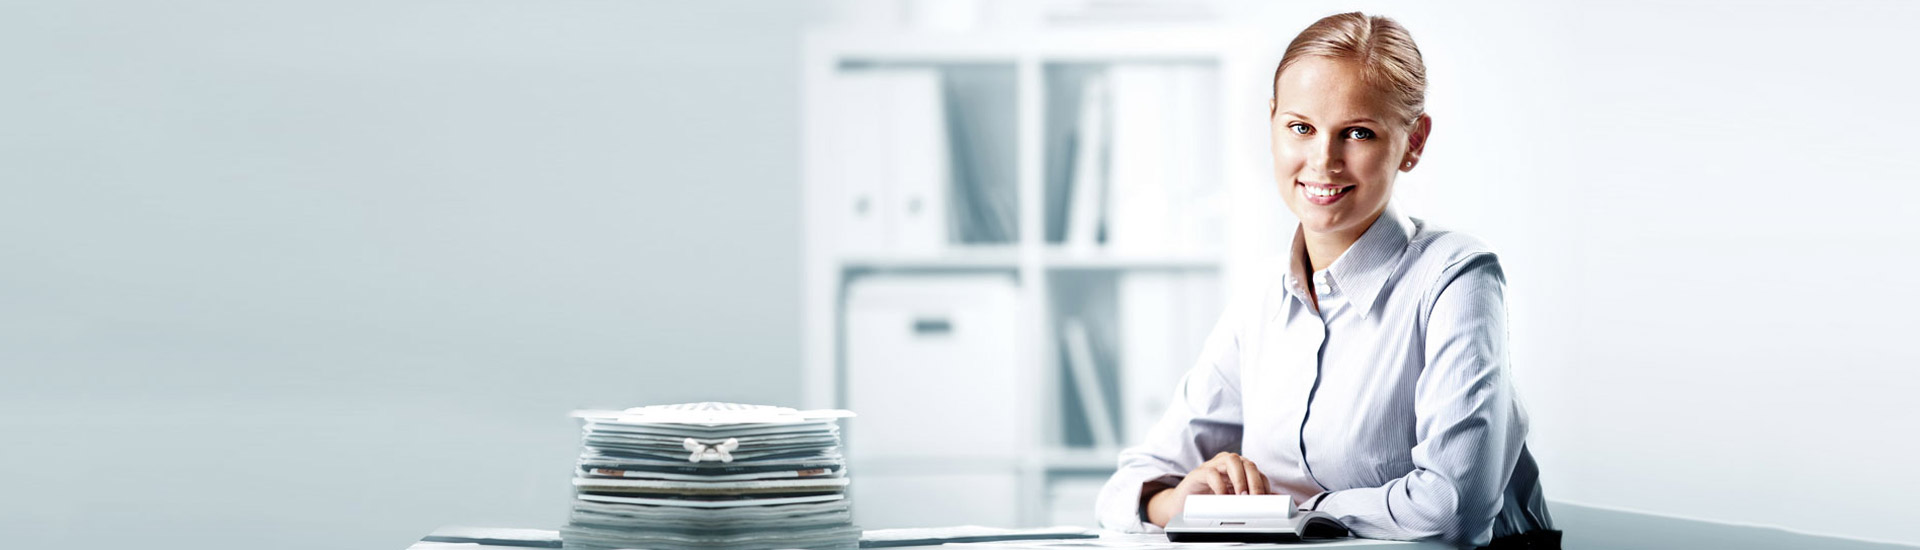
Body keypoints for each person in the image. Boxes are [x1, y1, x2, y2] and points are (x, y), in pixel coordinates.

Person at [1093, 12, 1560, 550]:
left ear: (1413, 142)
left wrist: (1292, 513)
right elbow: (1124, 490)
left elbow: (1453, 509)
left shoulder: (1456, 276)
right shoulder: (1262, 298)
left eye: (1358, 133)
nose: (1323, 160)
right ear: (1272, 123)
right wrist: (1179, 501)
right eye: (1301, 128)